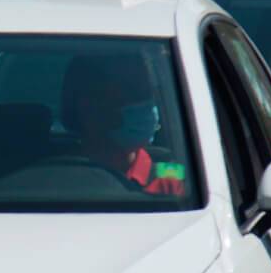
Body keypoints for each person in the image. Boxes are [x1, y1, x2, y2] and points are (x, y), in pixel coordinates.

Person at [60, 52, 184, 196]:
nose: (147, 105)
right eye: (133, 93)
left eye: (149, 93)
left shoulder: (174, 182)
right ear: (88, 105)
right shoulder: (49, 180)